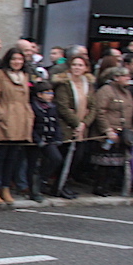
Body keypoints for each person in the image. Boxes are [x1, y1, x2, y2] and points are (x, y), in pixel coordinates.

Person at [0, 48, 33, 205]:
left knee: (13, 157)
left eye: (20, 59)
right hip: (5, 119)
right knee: (0, 155)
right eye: (14, 59)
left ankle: (5, 187)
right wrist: (1, 113)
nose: (17, 62)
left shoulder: (24, 76)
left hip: (21, 119)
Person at [51, 55, 96, 198]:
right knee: (64, 158)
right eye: (75, 64)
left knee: (77, 158)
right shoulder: (64, 83)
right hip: (67, 127)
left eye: (80, 65)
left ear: (86, 68)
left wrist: (84, 124)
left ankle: (66, 183)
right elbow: (62, 107)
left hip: (82, 129)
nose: (77, 68)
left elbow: (93, 107)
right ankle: (57, 186)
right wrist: (77, 123)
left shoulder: (88, 84)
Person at [91, 67, 133, 197]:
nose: (128, 78)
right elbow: (100, 111)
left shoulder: (127, 92)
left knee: (116, 162)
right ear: (116, 77)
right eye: (125, 76)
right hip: (108, 133)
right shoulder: (106, 91)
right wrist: (107, 130)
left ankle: (109, 185)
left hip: (122, 132)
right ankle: (99, 186)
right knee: (104, 163)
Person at [27, 82, 63, 202]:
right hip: (36, 141)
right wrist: (37, 139)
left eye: (51, 92)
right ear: (39, 94)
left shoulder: (52, 107)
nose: (50, 95)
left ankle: (42, 179)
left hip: (50, 140)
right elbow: (30, 126)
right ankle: (33, 190)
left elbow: (56, 124)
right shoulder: (33, 107)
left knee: (56, 158)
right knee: (33, 165)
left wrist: (57, 138)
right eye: (47, 93)